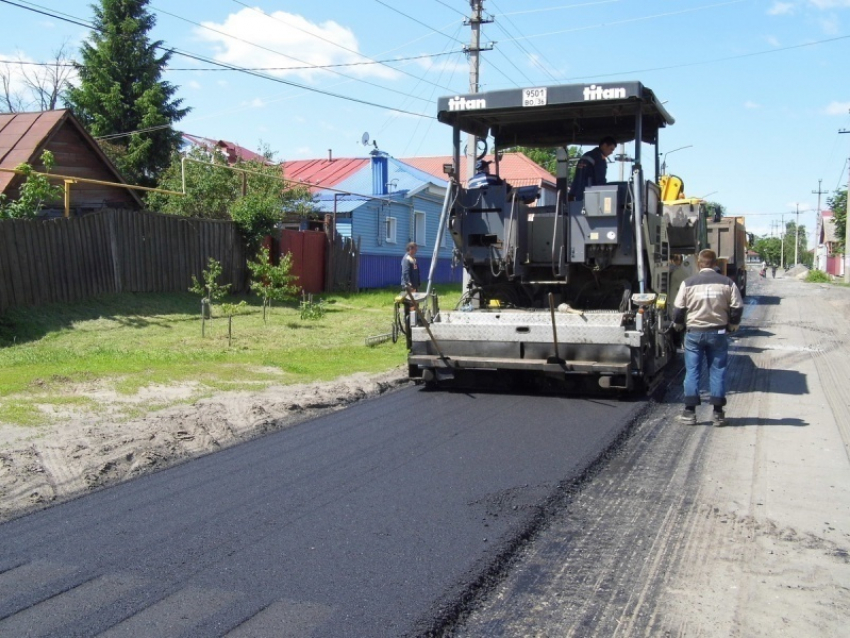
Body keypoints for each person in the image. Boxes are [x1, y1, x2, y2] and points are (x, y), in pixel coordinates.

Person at [672, 249, 743, 427]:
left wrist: (679, 324)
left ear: (699, 264)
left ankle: (689, 413)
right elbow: (737, 306)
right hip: (718, 332)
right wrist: (733, 323)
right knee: (718, 370)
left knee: (692, 371)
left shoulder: (688, 283)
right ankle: (718, 414)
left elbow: (678, 308)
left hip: (694, 333)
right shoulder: (727, 283)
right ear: (715, 264)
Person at [568, 135, 617, 201]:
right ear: (605, 145)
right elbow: (600, 180)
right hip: (590, 196)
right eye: (611, 149)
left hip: (576, 194)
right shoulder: (598, 159)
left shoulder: (587, 155)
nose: (611, 152)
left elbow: (578, 177)